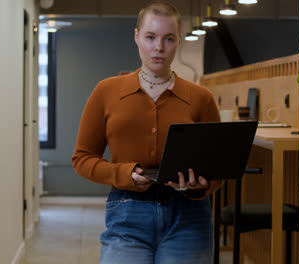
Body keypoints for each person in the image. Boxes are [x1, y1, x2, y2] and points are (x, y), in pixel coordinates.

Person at [72, 1, 222, 263]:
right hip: (127, 213)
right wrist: (122, 172)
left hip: (188, 217)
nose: (159, 48)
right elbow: (82, 158)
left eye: (169, 39)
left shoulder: (201, 98)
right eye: (151, 37)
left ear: (179, 42)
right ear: (137, 36)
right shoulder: (106, 91)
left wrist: (201, 186)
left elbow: (219, 167)